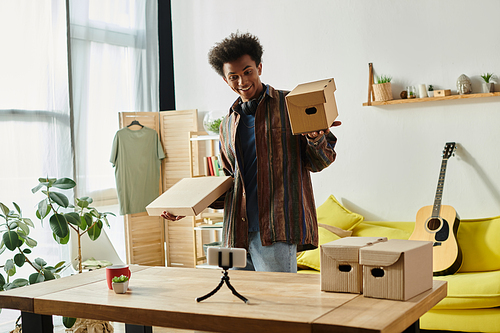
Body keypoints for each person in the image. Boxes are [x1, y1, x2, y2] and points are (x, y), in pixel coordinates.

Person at [162, 32, 340, 273]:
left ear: (259, 68)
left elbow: (320, 161)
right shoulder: (227, 124)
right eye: (233, 76)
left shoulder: (292, 105)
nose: (242, 81)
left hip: (276, 230)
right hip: (236, 234)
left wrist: (316, 137)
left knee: (277, 303)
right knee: (238, 304)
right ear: (226, 80)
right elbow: (229, 183)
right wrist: (188, 207)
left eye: (248, 72)